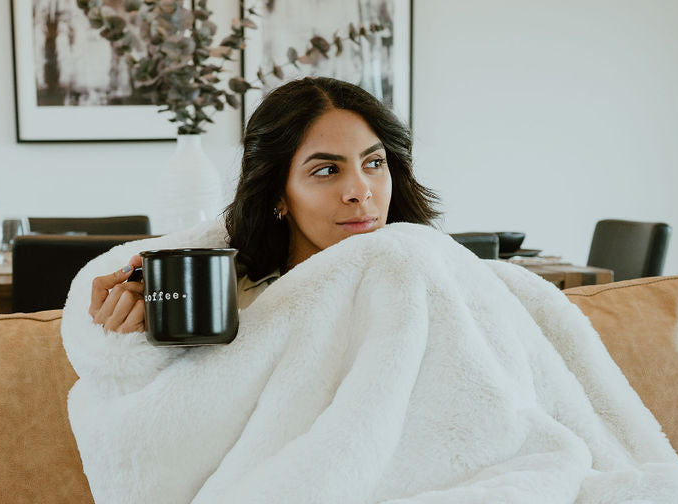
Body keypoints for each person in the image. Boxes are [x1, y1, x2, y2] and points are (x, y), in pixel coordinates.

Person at [90, 76, 442, 332]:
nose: (360, 191)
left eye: (374, 164)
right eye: (327, 170)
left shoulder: (433, 284)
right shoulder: (226, 307)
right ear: (277, 194)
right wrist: (130, 336)